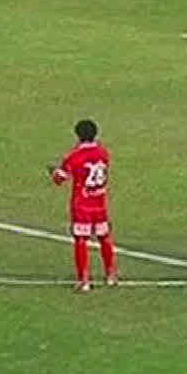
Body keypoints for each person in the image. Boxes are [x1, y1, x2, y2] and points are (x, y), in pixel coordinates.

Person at [51, 118, 118, 293]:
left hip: (82, 205)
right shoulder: (103, 153)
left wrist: (54, 172)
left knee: (81, 240)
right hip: (100, 203)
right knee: (104, 238)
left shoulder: (74, 156)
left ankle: (84, 280)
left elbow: (60, 179)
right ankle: (111, 275)